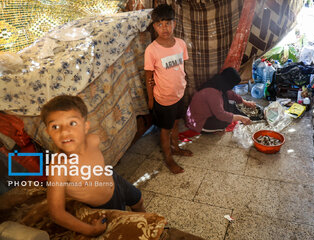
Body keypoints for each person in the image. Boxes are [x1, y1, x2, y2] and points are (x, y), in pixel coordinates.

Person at [40, 95, 145, 237]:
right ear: (48, 132)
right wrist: (91, 230)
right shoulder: (59, 167)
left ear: (85, 126)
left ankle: (146, 221)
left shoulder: (93, 140)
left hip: (115, 180)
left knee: (138, 201)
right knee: (122, 224)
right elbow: (56, 213)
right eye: (55, 126)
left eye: (72, 123)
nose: (64, 131)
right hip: (103, 203)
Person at [144, 4, 192, 174]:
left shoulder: (180, 44)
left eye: (168, 23)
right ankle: (169, 158)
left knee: (176, 122)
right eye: (159, 24)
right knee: (165, 129)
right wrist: (151, 99)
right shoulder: (152, 50)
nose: (164, 28)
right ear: (154, 26)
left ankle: (176, 148)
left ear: (175, 23)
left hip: (179, 93)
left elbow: (180, 68)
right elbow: (148, 76)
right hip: (163, 98)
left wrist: (182, 86)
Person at [186, 67, 256, 133]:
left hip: (197, 115)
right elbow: (221, 115)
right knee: (225, 122)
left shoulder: (217, 82)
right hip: (199, 123)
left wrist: (244, 102)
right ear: (228, 84)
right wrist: (241, 118)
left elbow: (230, 93)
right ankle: (211, 130)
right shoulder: (213, 94)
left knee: (230, 106)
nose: (232, 87)